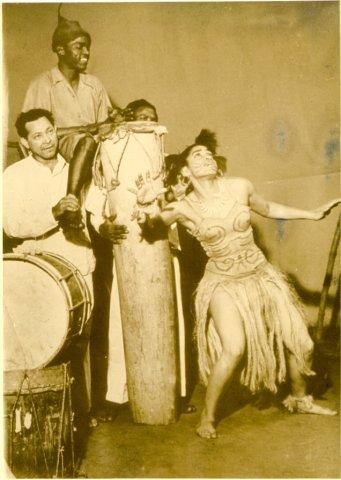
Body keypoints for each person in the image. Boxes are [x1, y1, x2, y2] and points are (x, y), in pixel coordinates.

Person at [132, 129, 340, 439]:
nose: (205, 157)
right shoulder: (182, 207)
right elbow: (151, 229)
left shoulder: (240, 187)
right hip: (224, 283)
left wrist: (311, 214)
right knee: (234, 348)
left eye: (208, 154)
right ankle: (208, 415)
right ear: (186, 172)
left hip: (261, 275)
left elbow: (269, 209)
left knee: (303, 343)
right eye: (196, 155)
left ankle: (298, 397)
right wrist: (146, 206)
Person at [3, 109, 127, 429]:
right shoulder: (13, 176)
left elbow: (95, 209)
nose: (46, 140)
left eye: (50, 131)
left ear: (57, 129)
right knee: (45, 344)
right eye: (37, 136)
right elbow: (12, 226)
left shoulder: (76, 168)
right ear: (26, 142)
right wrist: (54, 212)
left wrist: (104, 228)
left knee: (82, 341)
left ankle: (81, 412)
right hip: (39, 270)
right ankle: (46, 416)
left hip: (80, 263)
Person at [22, 8, 123, 231]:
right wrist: (87, 130)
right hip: (62, 149)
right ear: (60, 49)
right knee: (86, 140)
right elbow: (32, 133)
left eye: (87, 47)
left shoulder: (94, 84)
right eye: (79, 46)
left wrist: (114, 122)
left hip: (96, 150)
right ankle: (71, 203)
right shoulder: (43, 84)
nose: (86, 52)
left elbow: (105, 126)